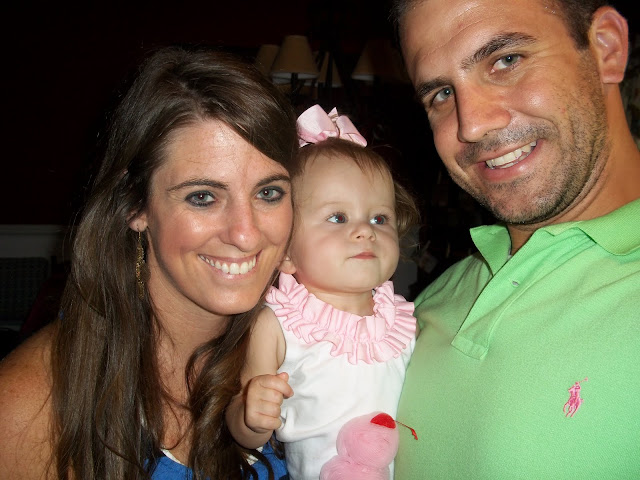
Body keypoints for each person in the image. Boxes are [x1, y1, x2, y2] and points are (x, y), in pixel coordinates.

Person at [0, 46, 300, 480]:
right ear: (135, 205)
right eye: (203, 197)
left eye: (269, 193)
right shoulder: (28, 406)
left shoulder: (320, 348)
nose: (246, 234)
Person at [390, 0, 640, 478]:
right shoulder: (426, 304)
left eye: (505, 60)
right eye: (441, 93)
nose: (472, 124)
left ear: (606, 48)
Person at [225, 105, 421, 479]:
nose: (365, 231)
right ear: (286, 253)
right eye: (338, 217)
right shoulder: (278, 324)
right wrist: (251, 414)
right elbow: (246, 430)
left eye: (379, 218)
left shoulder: (403, 321)